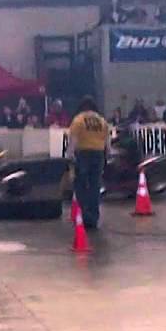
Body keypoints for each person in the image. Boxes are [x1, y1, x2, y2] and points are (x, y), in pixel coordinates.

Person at [68, 96, 109, 231]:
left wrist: (70, 156)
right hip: (98, 154)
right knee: (94, 186)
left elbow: (73, 141)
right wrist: (106, 157)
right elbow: (107, 143)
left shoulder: (78, 120)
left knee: (80, 185)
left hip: (83, 154)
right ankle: (93, 218)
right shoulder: (102, 121)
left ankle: (85, 216)